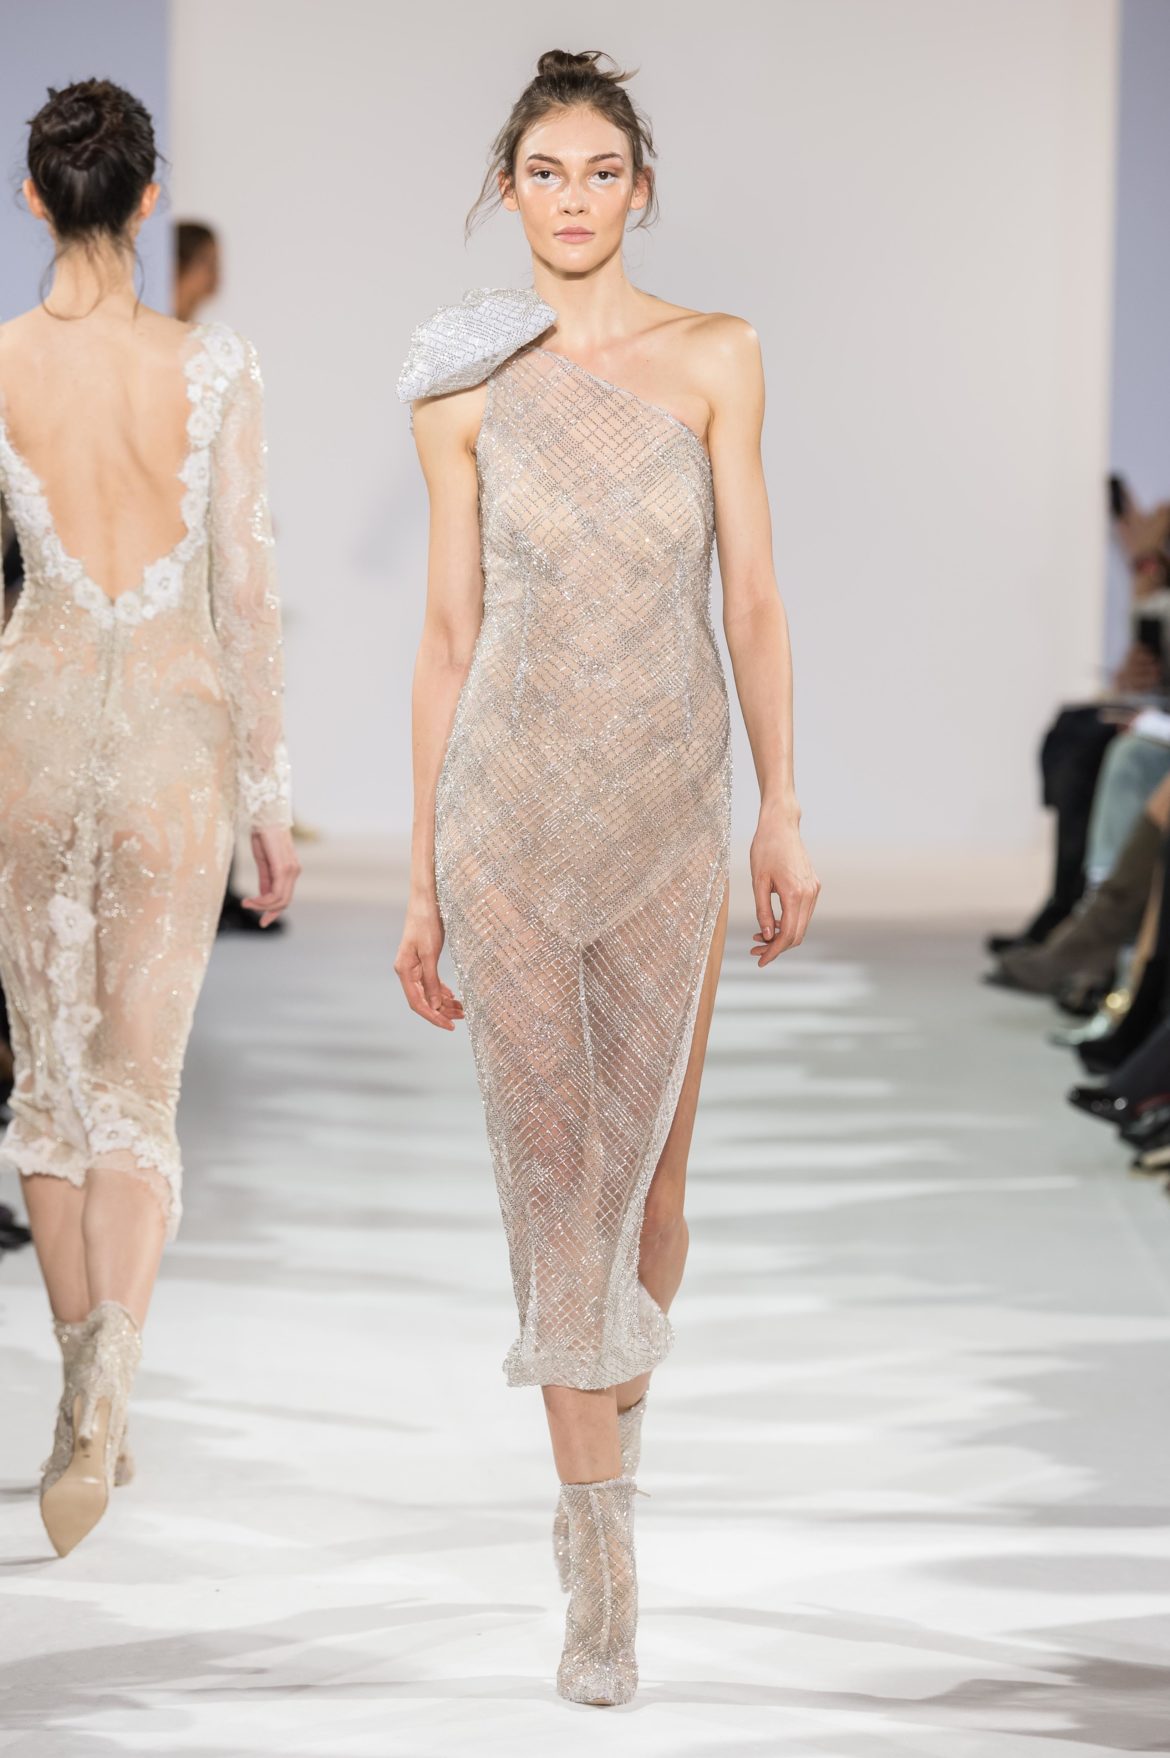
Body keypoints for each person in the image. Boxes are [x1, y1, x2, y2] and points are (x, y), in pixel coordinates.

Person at [394, 49, 819, 1706]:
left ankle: (605, 1459)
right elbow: (447, 632)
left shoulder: (717, 356)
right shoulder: (458, 385)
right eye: (543, 172)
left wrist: (782, 808)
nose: (571, 199)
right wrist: (422, 875)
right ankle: (600, 1562)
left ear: (639, 188)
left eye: (598, 171)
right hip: (504, 812)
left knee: (648, 1200)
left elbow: (753, 600)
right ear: (507, 191)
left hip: (666, 812)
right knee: (556, 1187)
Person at [0, 79, 298, 1556]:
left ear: (35, 197)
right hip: (178, 739)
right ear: (147, 194)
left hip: (37, 727)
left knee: (48, 1094)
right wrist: (272, 797)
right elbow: (245, 590)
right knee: (136, 1093)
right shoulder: (215, 366)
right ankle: (112, 1373)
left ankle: (82, 1392)